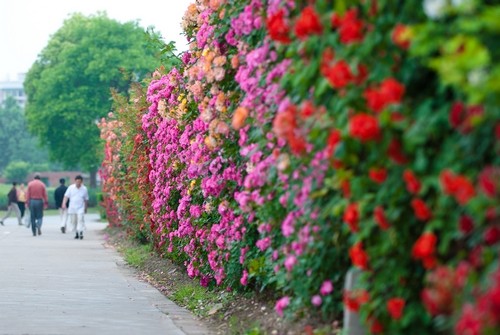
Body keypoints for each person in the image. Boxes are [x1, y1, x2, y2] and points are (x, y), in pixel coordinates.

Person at [62, 175, 89, 240]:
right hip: (72, 207)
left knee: (80, 219)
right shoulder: (71, 188)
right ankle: (77, 233)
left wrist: (85, 208)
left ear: (81, 182)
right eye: (77, 182)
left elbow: (86, 199)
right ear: (75, 181)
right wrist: (64, 203)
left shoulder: (84, 189)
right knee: (74, 221)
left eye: (79, 182)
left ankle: (81, 232)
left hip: (81, 207)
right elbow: (66, 196)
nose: (78, 183)